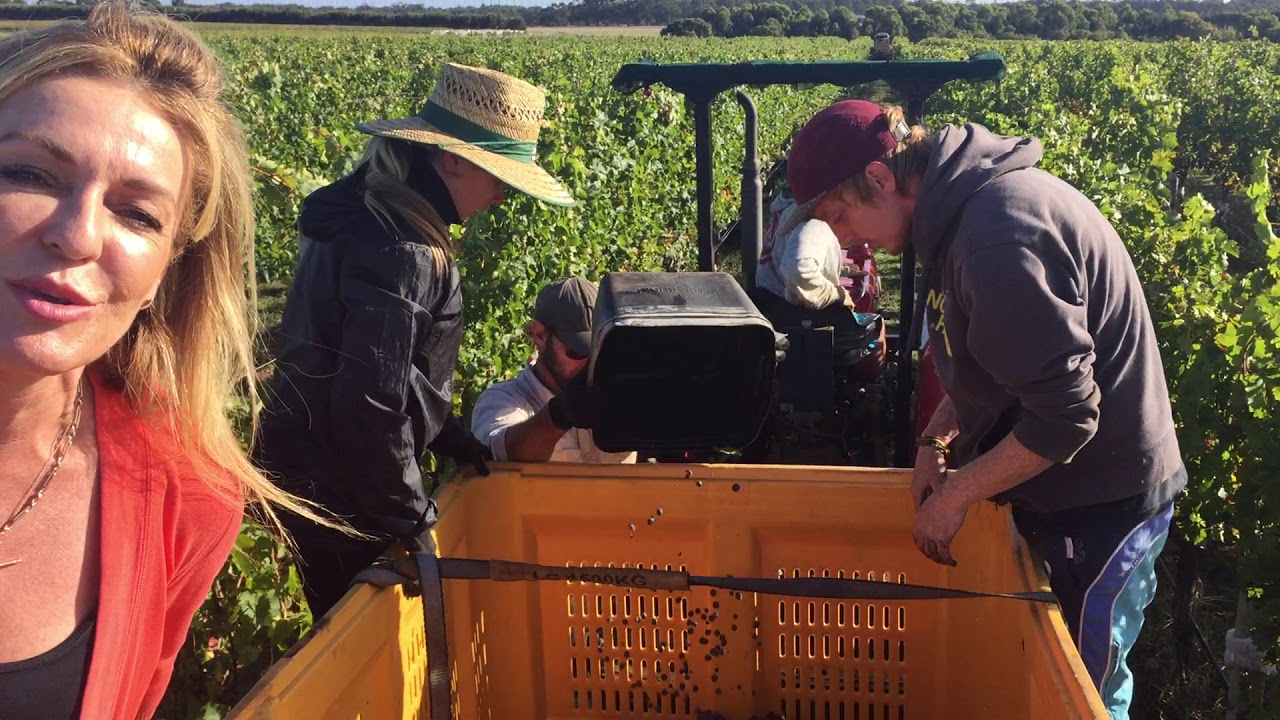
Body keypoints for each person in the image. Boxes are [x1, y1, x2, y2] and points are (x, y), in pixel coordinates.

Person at [780, 98, 1186, 719]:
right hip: (1060, 491)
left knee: (1085, 692)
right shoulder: (959, 217)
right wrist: (932, 445)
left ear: (882, 179)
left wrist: (957, 494)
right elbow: (979, 366)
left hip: (1104, 504)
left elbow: (1067, 416)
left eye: (841, 215)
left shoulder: (997, 237)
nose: (845, 238)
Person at [0, 4, 338, 718]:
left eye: (137, 214)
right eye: (30, 173)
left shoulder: (185, 502)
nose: (79, 235)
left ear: (165, 273)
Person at [253, 62, 576, 619]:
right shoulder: (407, 251)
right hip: (346, 500)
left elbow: (382, 369)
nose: (502, 193)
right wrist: (412, 517)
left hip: (309, 478)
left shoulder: (359, 214)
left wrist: (450, 437)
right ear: (450, 159)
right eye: (497, 174)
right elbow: (368, 404)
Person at [471, 277, 636, 464]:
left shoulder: (618, 397)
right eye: (577, 351)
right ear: (539, 335)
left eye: (600, 351)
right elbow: (502, 454)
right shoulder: (503, 399)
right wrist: (559, 414)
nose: (590, 364)